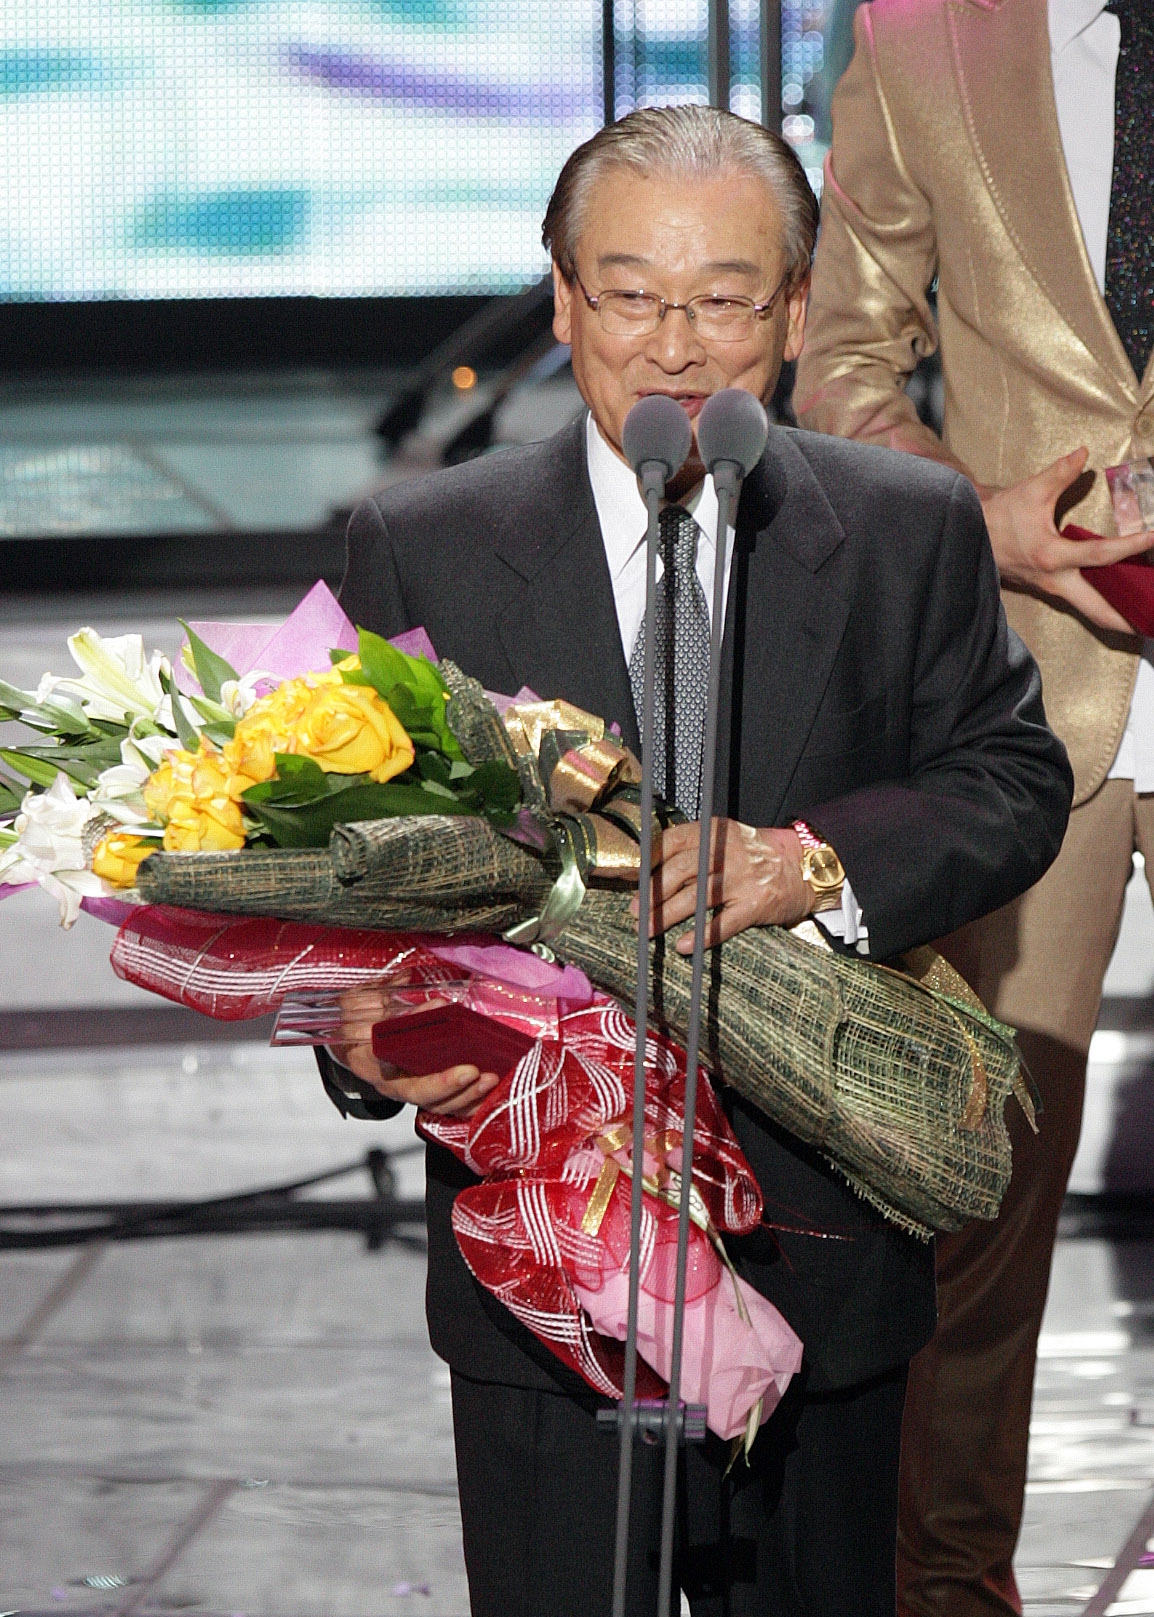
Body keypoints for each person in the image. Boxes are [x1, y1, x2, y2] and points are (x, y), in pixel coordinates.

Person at [319, 104, 1071, 1617]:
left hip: (819, 1249)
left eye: (724, 300)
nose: (673, 348)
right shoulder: (424, 541)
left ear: (794, 310)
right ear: (560, 301)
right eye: (630, 296)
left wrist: (812, 864)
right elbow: (345, 861)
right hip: (542, 1261)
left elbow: (1007, 777)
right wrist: (365, 1040)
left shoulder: (904, 526)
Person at [792, 2, 1154, 1613]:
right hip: (1023, 692)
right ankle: (944, 1592)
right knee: (975, 1188)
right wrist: (974, 521)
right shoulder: (926, 34)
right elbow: (840, 360)